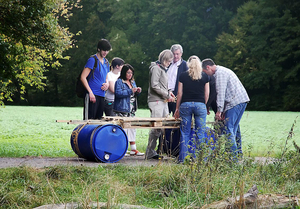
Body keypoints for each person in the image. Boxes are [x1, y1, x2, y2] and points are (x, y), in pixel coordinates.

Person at [202, 58, 250, 160]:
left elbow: (221, 93)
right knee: (233, 129)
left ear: (208, 67)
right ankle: (236, 154)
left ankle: (232, 158)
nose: (206, 75)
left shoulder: (220, 74)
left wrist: (219, 110)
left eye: (205, 72)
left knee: (229, 129)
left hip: (235, 102)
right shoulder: (222, 71)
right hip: (240, 100)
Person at [174, 55, 210, 163]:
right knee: (200, 132)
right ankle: (200, 160)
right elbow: (207, 93)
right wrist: (204, 104)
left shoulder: (183, 76)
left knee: (185, 132)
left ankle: (183, 159)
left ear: (188, 64)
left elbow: (179, 93)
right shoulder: (204, 76)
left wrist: (177, 108)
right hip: (200, 105)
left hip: (185, 105)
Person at [145, 49, 175, 160]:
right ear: (163, 59)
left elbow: (162, 85)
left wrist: (169, 92)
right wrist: (167, 95)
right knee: (156, 127)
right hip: (156, 101)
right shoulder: (156, 68)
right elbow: (154, 86)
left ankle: (156, 150)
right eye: (168, 61)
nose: (169, 63)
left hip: (163, 101)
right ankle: (149, 152)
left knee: (162, 127)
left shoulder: (163, 69)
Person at [113, 64, 144, 156]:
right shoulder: (119, 81)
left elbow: (133, 95)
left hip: (131, 109)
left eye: (131, 73)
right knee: (123, 129)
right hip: (122, 109)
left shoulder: (132, 82)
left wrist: (137, 91)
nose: (130, 74)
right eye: (128, 72)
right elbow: (118, 93)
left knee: (132, 128)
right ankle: (121, 149)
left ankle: (133, 149)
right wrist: (131, 91)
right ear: (124, 73)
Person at [81, 39, 112, 119]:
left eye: (107, 51)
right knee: (89, 121)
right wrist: (90, 92)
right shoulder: (92, 60)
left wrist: (107, 84)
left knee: (99, 121)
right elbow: (83, 77)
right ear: (99, 49)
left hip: (102, 95)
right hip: (92, 95)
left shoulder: (106, 62)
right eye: (104, 50)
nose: (106, 52)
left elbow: (106, 76)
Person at [167, 44, 189, 115]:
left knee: (176, 117)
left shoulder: (185, 65)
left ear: (181, 54)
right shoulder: (167, 64)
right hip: (166, 94)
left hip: (177, 95)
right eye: (174, 54)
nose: (175, 56)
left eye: (177, 54)